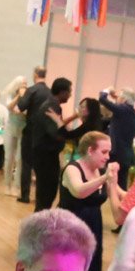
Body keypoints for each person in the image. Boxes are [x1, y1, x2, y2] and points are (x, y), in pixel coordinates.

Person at [55, 131, 124, 271]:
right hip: (71, 229)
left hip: (93, 227)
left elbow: (120, 194)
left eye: (109, 152)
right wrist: (105, 178)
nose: (108, 157)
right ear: (90, 150)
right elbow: (79, 191)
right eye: (104, 152)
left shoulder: (99, 171)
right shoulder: (72, 169)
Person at [29, 77, 78, 212]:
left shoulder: (51, 104)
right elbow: (55, 133)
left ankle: (40, 221)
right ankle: (39, 223)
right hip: (46, 157)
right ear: (62, 92)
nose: (70, 95)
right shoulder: (51, 106)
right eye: (69, 91)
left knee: (46, 194)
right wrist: (69, 137)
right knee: (46, 195)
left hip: (45, 155)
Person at [15, 67, 49, 202]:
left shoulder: (32, 90)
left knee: (27, 164)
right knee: (41, 166)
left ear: (35, 75)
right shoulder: (50, 92)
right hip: (44, 134)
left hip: (30, 132)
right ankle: (41, 196)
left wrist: (21, 94)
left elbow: (21, 107)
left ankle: (25, 196)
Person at [99, 87, 135, 177]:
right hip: (124, 155)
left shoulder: (124, 110)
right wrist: (116, 98)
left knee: (113, 181)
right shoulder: (130, 112)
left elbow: (102, 99)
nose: (117, 99)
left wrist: (107, 90)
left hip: (118, 154)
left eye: (119, 97)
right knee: (121, 181)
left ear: (124, 100)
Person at [0, 74, 28, 195]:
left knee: (20, 159)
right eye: (23, 84)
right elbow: (10, 107)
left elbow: (26, 111)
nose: (25, 86)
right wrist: (18, 96)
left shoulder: (28, 96)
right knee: (9, 158)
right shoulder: (11, 95)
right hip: (10, 128)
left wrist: (24, 98)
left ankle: (17, 186)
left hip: (23, 129)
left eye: (26, 84)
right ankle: (7, 185)